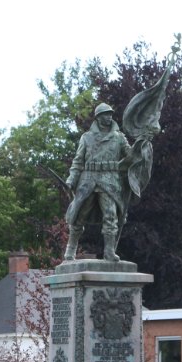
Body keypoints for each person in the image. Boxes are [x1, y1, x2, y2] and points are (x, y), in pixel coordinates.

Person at [63, 103, 133, 262]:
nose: (109, 117)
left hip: (109, 181)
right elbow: (78, 161)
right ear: (98, 117)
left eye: (110, 114)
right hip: (88, 179)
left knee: (111, 216)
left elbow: (131, 157)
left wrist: (142, 144)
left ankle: (109, 251)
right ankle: (70, 249)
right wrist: (71, 179)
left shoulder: (119, 137)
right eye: (106, 114)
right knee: (79, 215)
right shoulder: (86, 137)